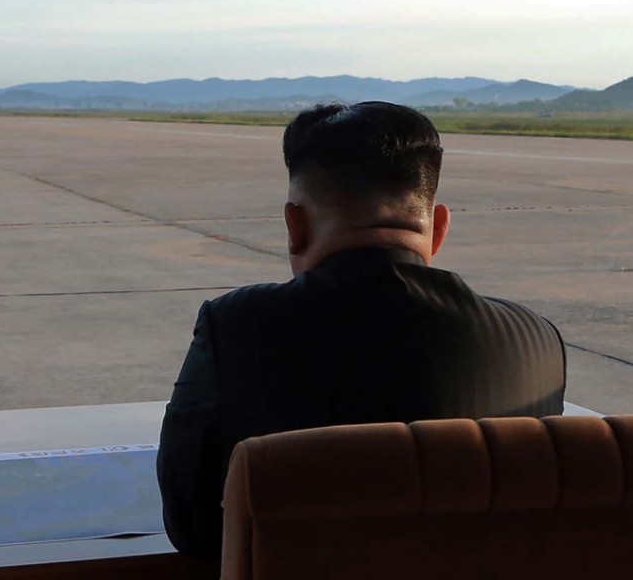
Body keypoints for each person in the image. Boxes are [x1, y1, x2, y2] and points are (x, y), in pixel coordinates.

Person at [156, 101, 567, 561]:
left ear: (295, 226)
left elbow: (190, 525)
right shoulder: (536, 342)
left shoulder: (235, 327)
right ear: (438, 228)